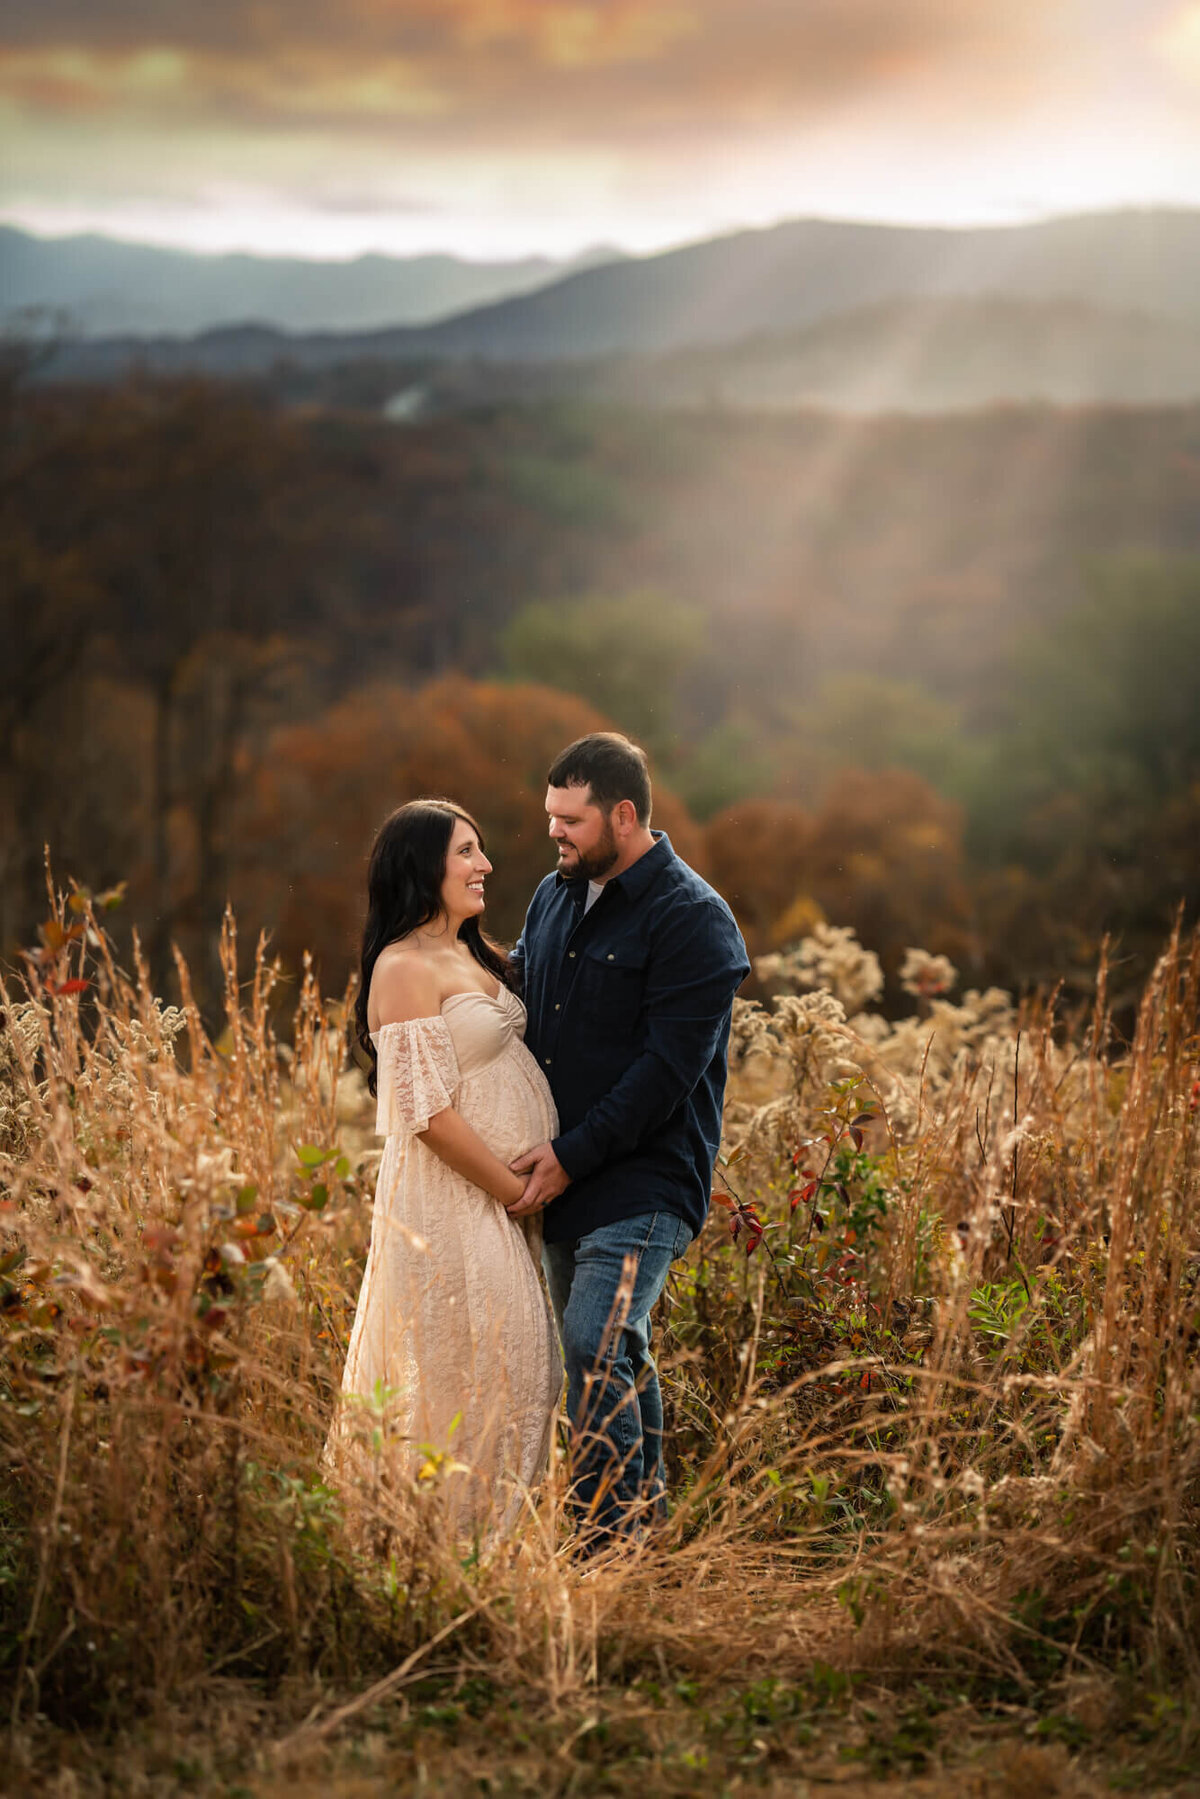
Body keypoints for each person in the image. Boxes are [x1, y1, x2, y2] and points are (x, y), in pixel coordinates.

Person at [507, 734, 749, 1549]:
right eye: (550, 818)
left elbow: (662, 1076)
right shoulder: (554, 895)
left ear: (623, 813)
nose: (555, 835)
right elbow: (521, 993)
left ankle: (601, 1548)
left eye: (569, 820)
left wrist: (570, 1154)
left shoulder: (694, 920)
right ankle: (648, 1536)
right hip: (565, 1176)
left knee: (593, 1341)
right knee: (618, 1353)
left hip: (645, 1179)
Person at [326, 799, 561, 1539]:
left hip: (503, 1201)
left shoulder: (473, 950)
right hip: (456, 1201)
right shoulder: (401, 967)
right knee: (488, 1368)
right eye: (466, 851)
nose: (484, 864)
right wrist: (511, 1186)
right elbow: (423, 1112)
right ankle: (450, 1550)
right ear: (422, 866)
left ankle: (490, 1553)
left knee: (518, 1369)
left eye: (480, 849)